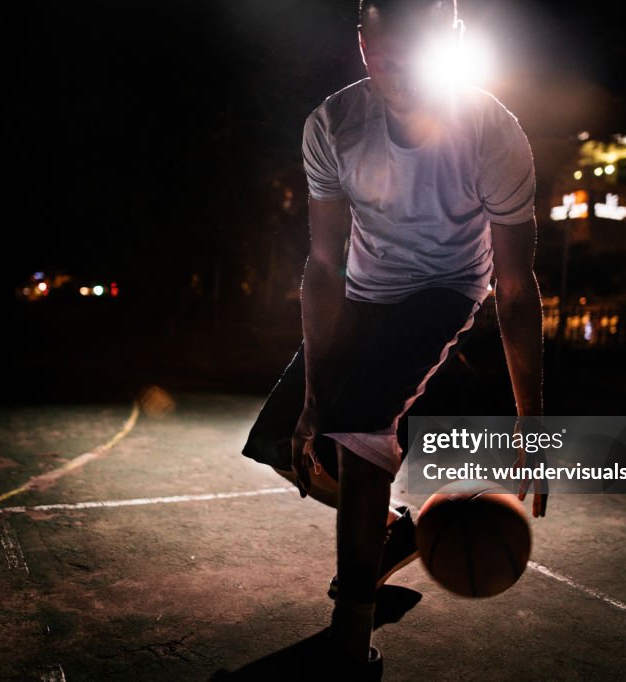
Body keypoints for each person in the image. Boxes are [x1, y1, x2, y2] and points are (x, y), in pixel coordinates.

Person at [242, 0, 547, 673]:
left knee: (358, 427)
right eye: (383, 57)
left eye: (416, 55)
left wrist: (534, 422)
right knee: (282, 445)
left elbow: (518, 287)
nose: (398, 72)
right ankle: (393, 528)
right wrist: (315, 394)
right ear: (361, 45)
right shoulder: (334, 124)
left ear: (454, 42)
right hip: (363, 286)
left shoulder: (494, 133)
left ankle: (350, 641)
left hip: (446, 287)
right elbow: (322, 265)